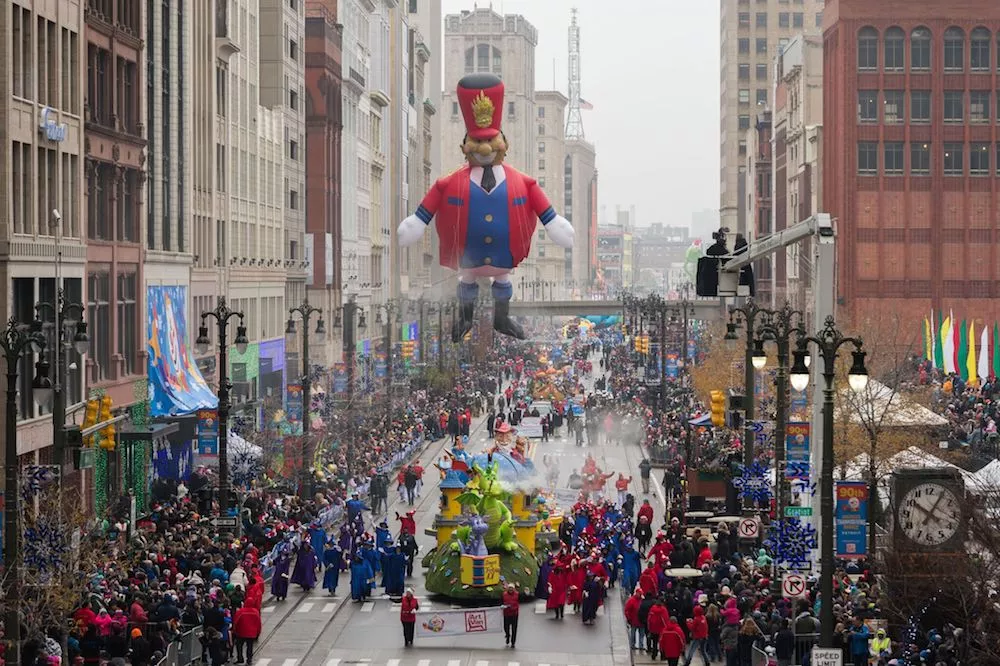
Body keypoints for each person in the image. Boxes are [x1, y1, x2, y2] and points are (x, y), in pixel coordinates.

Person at [501, 583, 520, 648]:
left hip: (514, 614)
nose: (510, 589)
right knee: (506, 627)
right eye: (509, 588)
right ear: (507, 589)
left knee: (514, 629)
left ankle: (513, 642)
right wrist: (503, 606)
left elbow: (518, 604)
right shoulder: (504, 594)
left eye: (512, 588)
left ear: (514, 589)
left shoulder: (517, 594)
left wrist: (512, 607)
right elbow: (502, 602)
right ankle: (508, 635)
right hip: (506, 614)